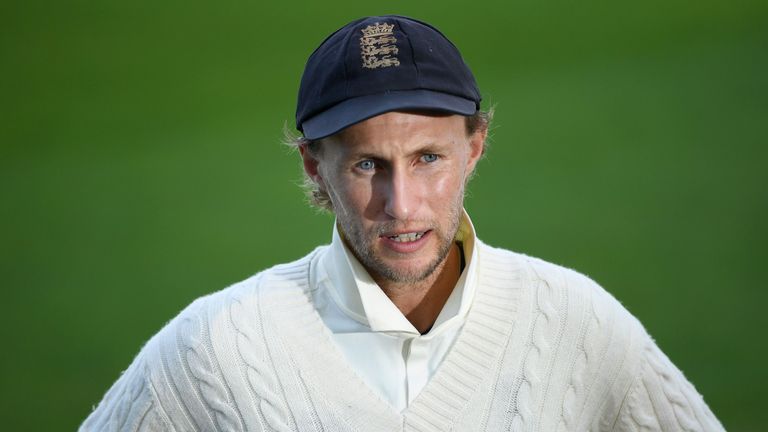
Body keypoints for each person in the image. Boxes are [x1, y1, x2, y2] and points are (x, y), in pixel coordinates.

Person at [81, 15, 723, 431]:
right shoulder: (212, 350)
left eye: (428, 159)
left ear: (474, 148)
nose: (403, 204)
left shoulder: (578, 324)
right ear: (314, 167)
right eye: (367, 164)